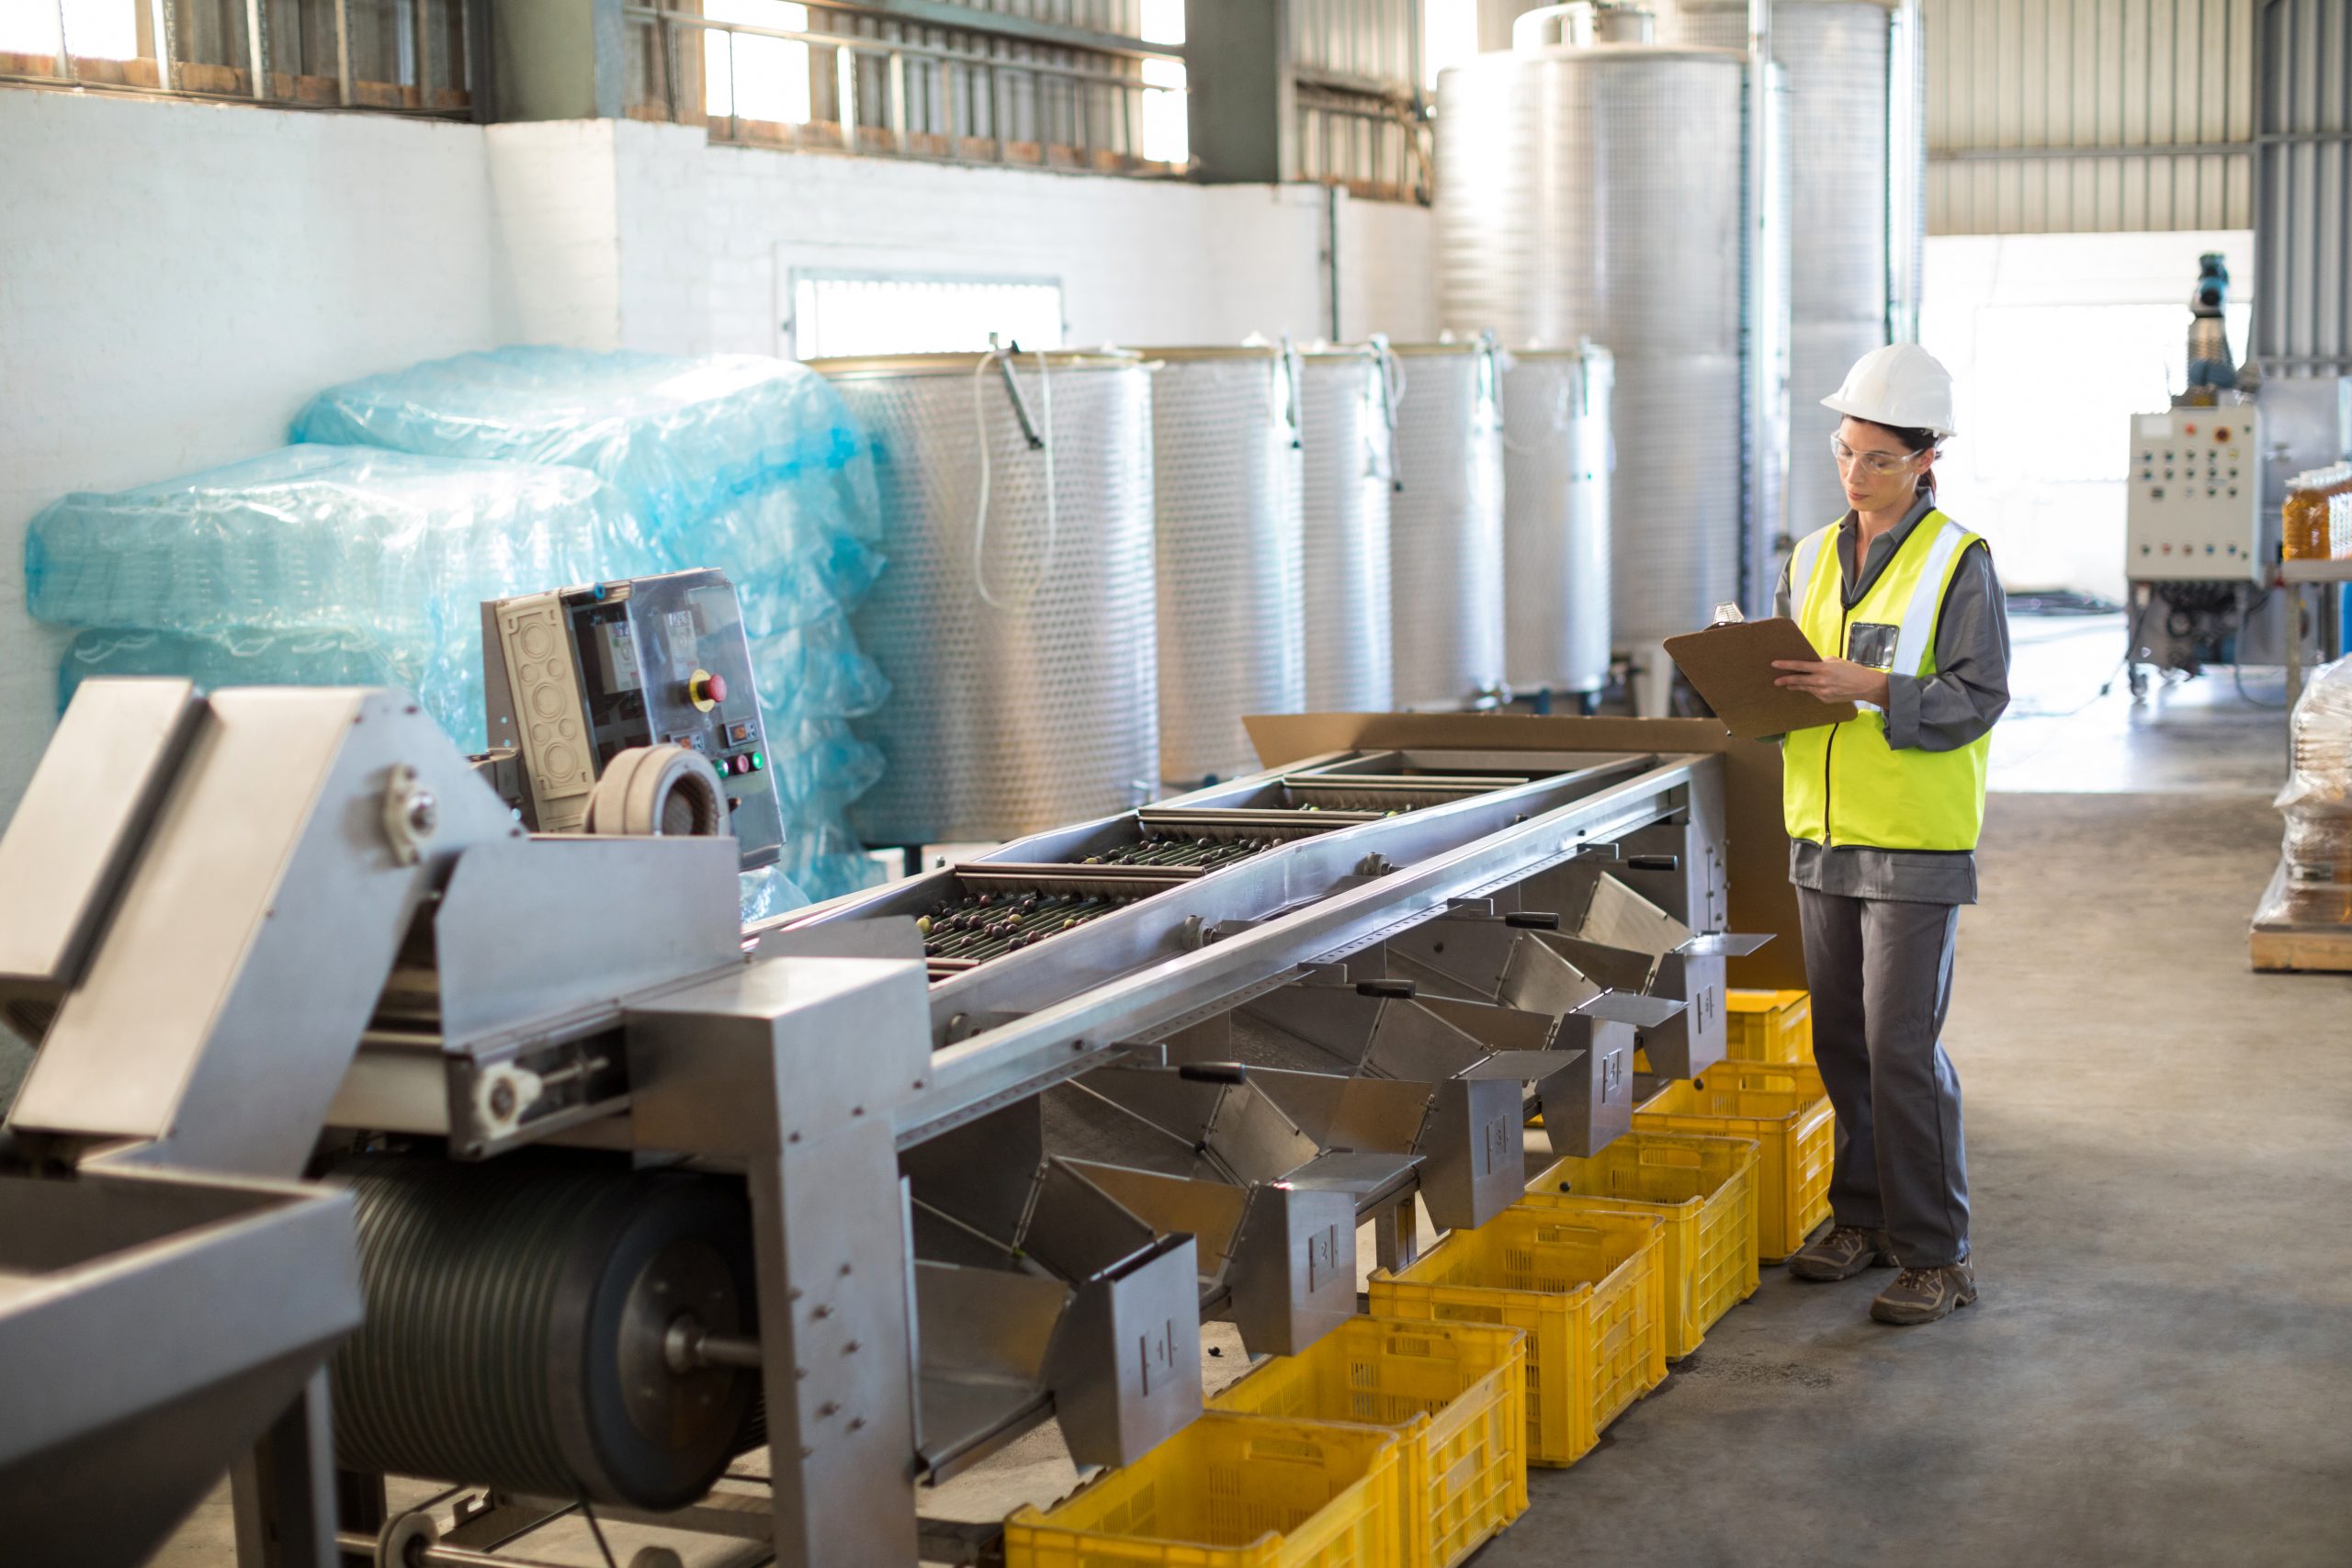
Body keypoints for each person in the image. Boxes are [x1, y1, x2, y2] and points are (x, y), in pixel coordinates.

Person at [1767, 343, 2009, 1326]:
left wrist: (1870, 690)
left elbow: (1977, 696)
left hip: (1911, 841)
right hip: (1822, 834)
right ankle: (1860, 1218)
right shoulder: (1809, 556)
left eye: (1876, 457)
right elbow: (1792, 677)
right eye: (1844, 450)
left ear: (1922, 460)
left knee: (1898, 1048)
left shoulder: (1959, 561)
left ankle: (1936, 1254)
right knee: (1840, 1044)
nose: (1854, 472)